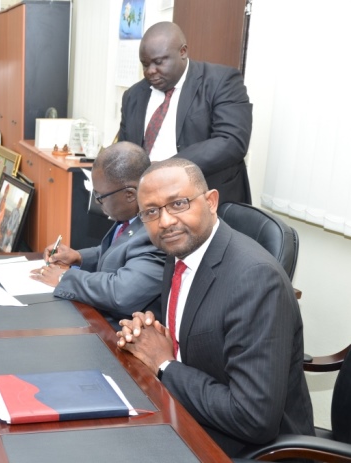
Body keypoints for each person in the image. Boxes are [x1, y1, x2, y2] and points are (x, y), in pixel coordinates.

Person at [116, 158, 314, 457]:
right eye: (151, 212)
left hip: (243, 448)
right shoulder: (181, 248)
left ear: (211, 202)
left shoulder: (256, 280)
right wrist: (150, 332)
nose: (166, 221)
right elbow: (196, 324)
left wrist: (164, 363)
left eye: (179, 203)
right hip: (188, 413)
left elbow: (252, 418)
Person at [29, 142, 165, 328]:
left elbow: (121, 293)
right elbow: (116, 252)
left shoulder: (156, 232)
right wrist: (77, 257)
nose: (98, 202)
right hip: (98, 315)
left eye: (101, 196)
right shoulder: (131, 216)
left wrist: (64, 277)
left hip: (117, 332)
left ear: (129, 195)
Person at [117, 22, 253, 205]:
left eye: (158, 62)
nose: (150, 71)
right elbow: (127, 148)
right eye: (145, 64)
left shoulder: (221, 81)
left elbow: (232, 141)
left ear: (183, 52)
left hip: (207, 201)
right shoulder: (133, 96)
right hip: (151, 203)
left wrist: (167, 167)